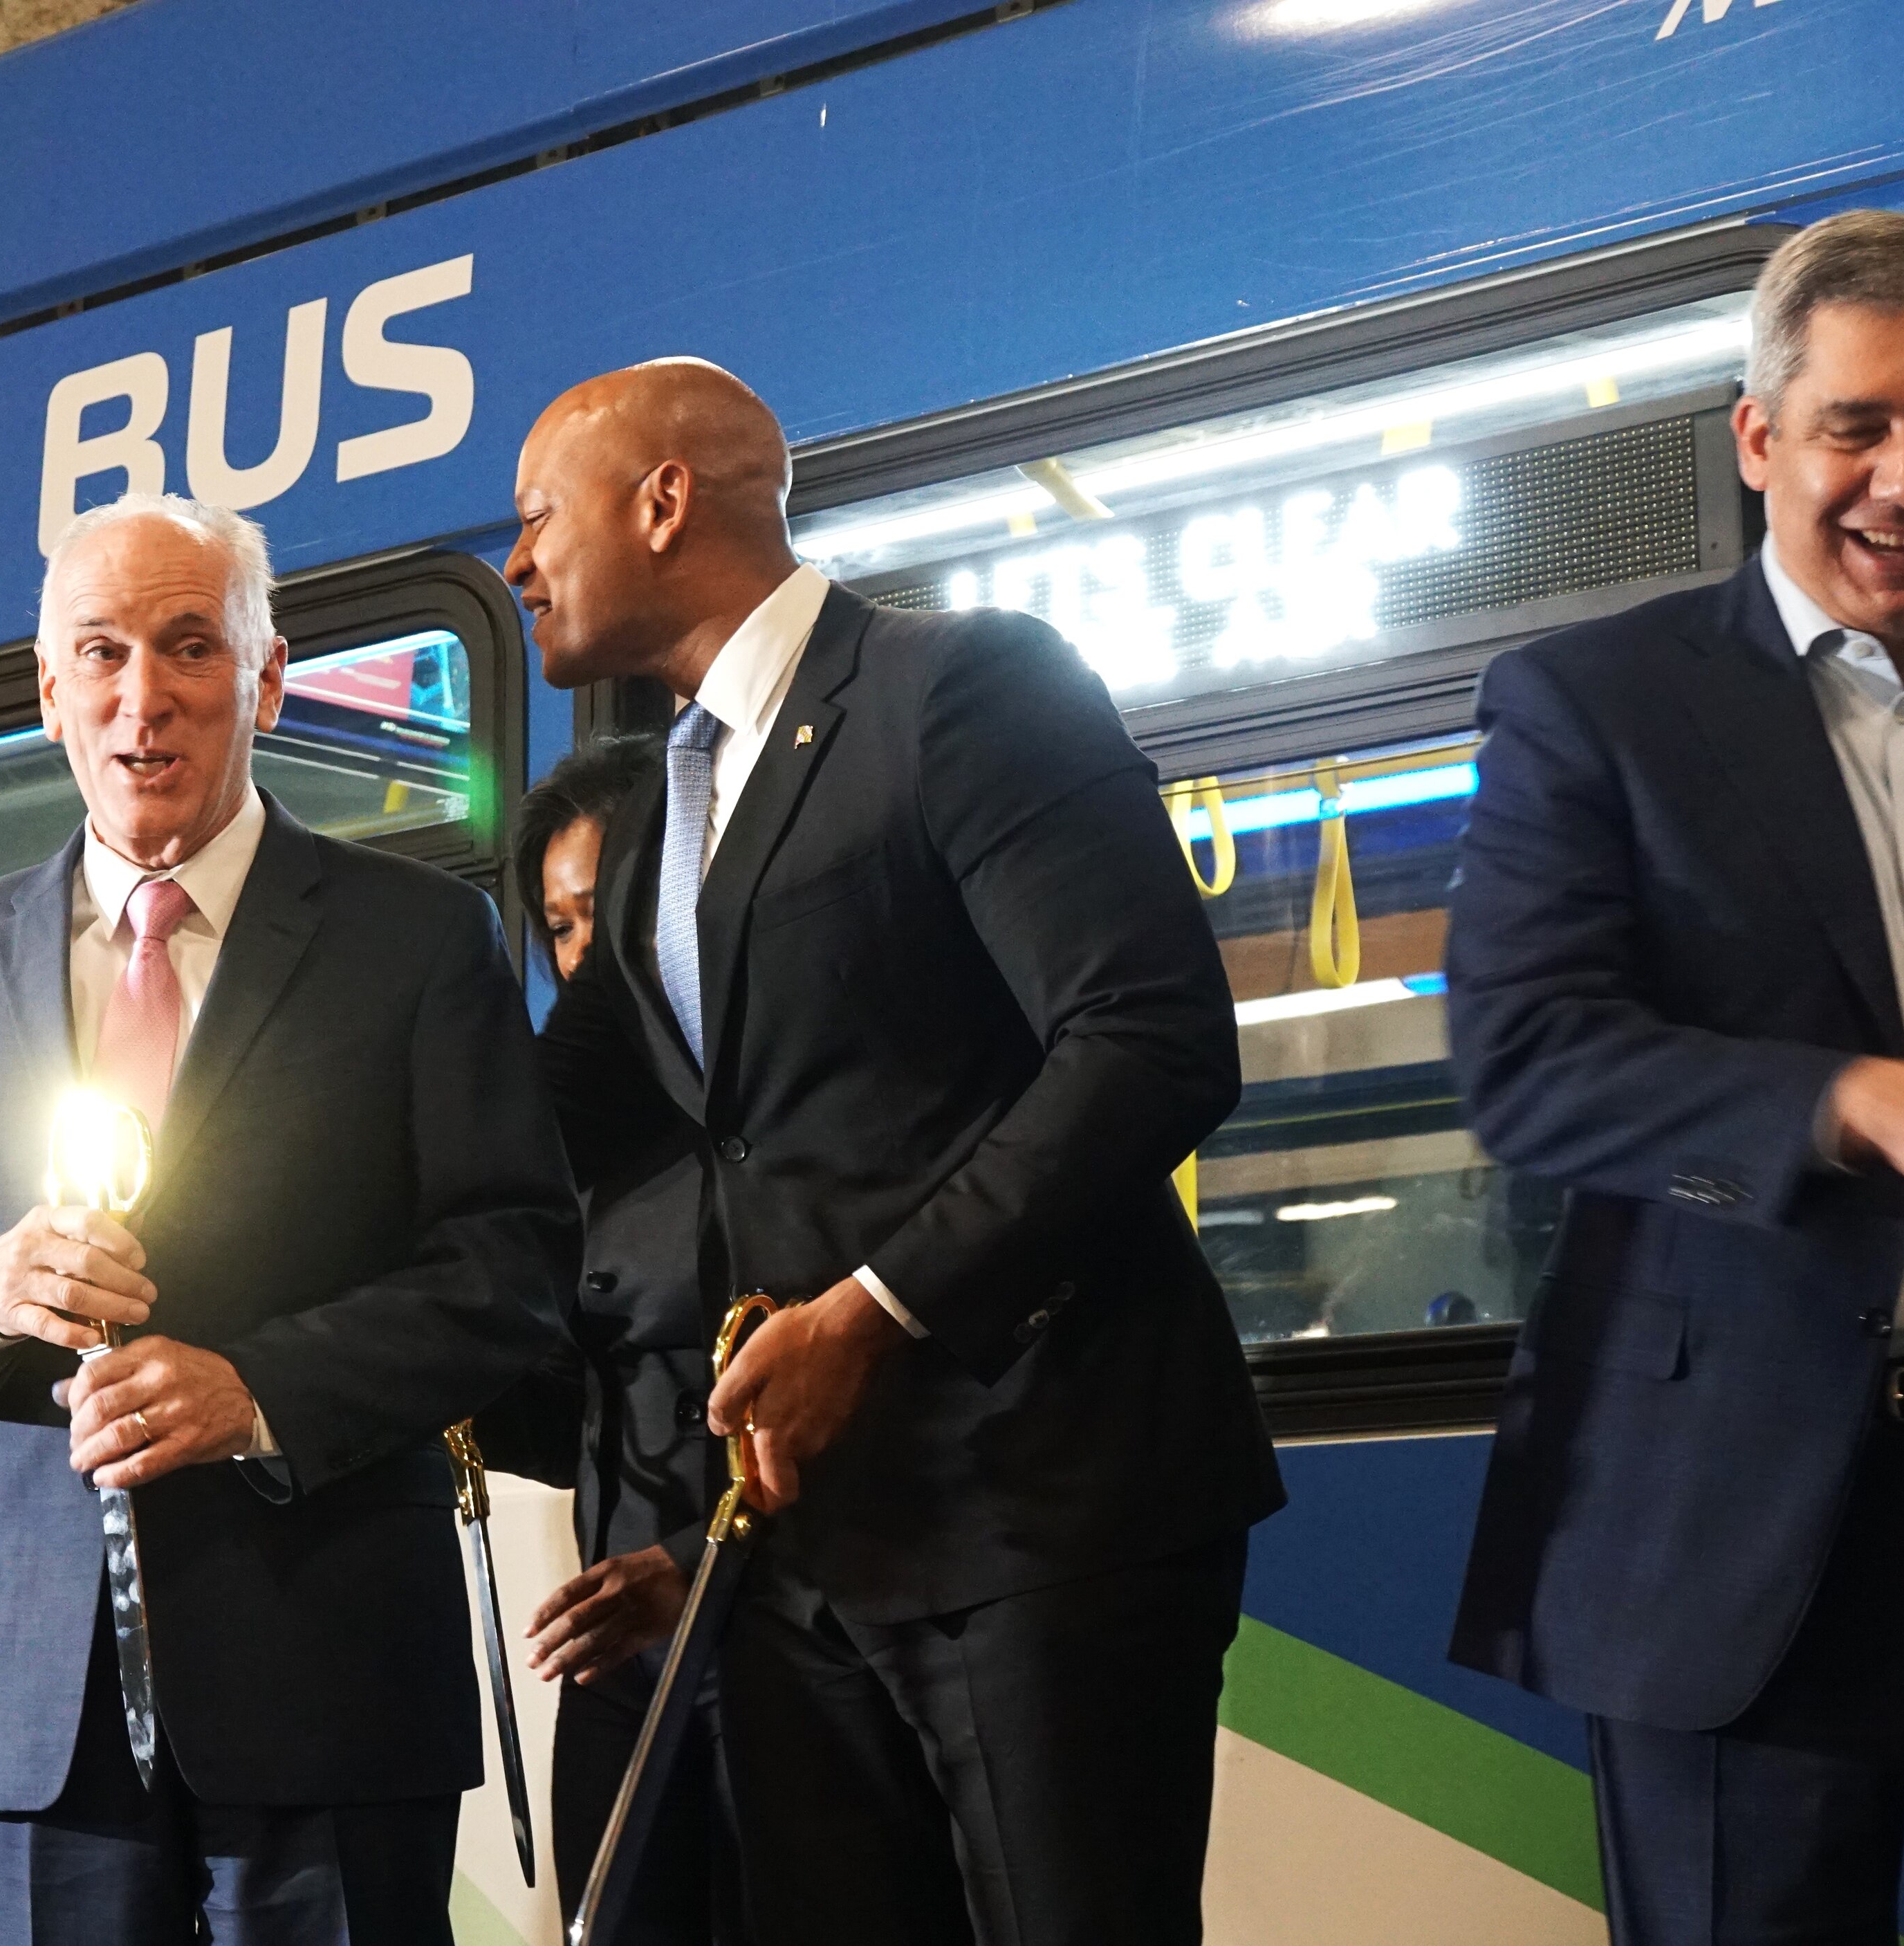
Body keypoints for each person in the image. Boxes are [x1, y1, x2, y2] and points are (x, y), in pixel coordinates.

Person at [513, 360, 1280, 1945]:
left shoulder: (961, 687)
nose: (517, 564)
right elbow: (537, 1125)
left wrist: (873, 1308)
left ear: (663, 502)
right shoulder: (661, 809)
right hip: (798, 1551)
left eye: (535, 521)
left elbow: (1147, 1040)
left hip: (1040, 1510)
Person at [0, 492, 575, 1945]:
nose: (139, 700)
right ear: (47, 694)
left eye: (187, 649)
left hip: (329, 1663)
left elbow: (512, 1266)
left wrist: (259, 1390)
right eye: (97, 654)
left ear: (267, 678)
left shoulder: (414, 940)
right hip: (28, 1695)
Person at [1443, 208, 1904, 1942]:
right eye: (1855, 425)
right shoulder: (1595, 705)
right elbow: (1530, 1060)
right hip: (1735, 1530)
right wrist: (1870, 1101)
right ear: (1761, 439)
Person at [474, 733, 751, 1943]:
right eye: (564, 930)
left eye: (616, 914)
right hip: (625, 1663)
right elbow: (570, 1405)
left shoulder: (774, 1118)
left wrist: (693, 1560)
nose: (590, 963)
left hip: (769, 1632)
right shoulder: (577, 1143)